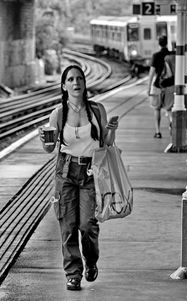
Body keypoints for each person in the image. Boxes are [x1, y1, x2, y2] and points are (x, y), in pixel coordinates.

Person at [39, 65, 118, 291]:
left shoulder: (96, 110)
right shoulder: (58, 113)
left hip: (91, 173)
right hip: (65, 172)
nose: (76, 83)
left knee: (88, 225)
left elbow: (107, 142)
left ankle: (90, 261)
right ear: (64, 86)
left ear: (85, 83)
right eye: (71, 79)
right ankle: (73, 274)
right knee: (68, 225)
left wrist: (112, 129)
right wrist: (43, 140)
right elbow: (48, 148)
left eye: (79, 79)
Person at [147, 35, 171, 138]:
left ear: (159, 43)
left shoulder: (156, 55)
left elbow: (151, 73)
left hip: (157, 86)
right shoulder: (171, 55)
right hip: (170, 85)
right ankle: (172, 128)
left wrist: (148, 88)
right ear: (167, 42)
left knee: (157, 109)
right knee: (169, 109)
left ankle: (158, 131)